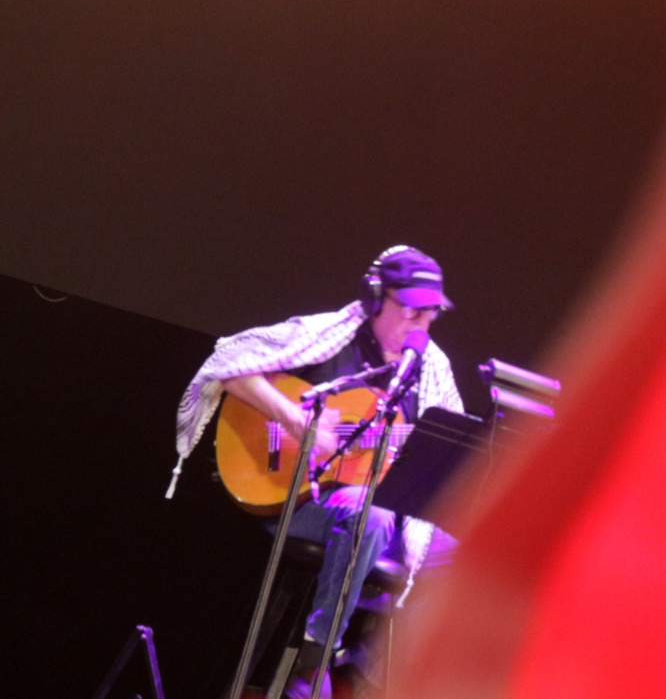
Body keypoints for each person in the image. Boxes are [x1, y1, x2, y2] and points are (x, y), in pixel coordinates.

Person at [168, 245, 464, 697]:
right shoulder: (327, 334)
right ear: (377, 298)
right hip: (296, 495)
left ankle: (369, 666)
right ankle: (315, 657)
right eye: (410, 312)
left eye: (429, 316)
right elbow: (231, 365)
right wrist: (295, 419)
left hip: (372, 506)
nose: (419, 327)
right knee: (373, 516)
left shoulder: (430, 370)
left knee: (466, 553)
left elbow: (441, 450)